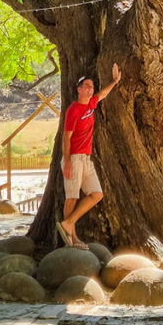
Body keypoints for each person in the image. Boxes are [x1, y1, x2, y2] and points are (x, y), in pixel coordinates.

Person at [56, 62, 121, 249]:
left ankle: (68, 223)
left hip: (86, 158)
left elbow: (103, 94)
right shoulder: (73, 110)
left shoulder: (91, 105)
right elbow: (66, 137)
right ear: (79, 89)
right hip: (74, 158)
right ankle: (72, 237)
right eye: (87, 86)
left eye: (92, 87)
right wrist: (67, 161)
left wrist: (115, 81)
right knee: (72, 197)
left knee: (96, 194)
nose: (91, 89)